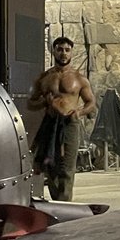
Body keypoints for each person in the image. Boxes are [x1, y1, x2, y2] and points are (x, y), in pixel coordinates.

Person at [27, 36, 96, 202]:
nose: (63, 53)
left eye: (67, 50)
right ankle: (57, 201)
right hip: (50, 123)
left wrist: (79, 112)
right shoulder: (44, 78)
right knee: (50, 167)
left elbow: (91, 102)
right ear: (54, 51)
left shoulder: (79, 79)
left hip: (69, 123)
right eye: (60, 50)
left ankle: (65, 203)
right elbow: (31, 103)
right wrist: (45, 101)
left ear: (71, 52)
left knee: (66, 167)